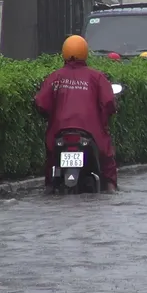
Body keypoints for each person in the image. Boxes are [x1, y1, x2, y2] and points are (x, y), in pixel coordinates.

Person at [34, 35, 118, 193]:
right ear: (85, 52)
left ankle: (50, 186)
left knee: (52, 160)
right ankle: (110, 187)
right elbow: (108, 103)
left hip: (59, 133)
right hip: (91, 133)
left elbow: (41, 103)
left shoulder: (55, 77)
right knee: (107, 159)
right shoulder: (96, 77)